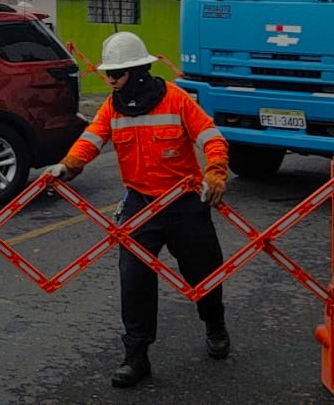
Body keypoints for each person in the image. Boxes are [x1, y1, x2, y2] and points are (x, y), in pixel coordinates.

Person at [43, 31, 230, 388]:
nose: (111, 80)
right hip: (140, 204)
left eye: (117, 74)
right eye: (108, 75)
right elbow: (91, 140)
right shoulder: (113, 106)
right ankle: (136, 356)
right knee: (134, 280)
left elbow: (210, 136)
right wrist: (66, 166)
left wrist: (216, 172)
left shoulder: (175, 100)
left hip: (184, 202)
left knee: (203, 273)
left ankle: (215, 325)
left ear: (139, 71)